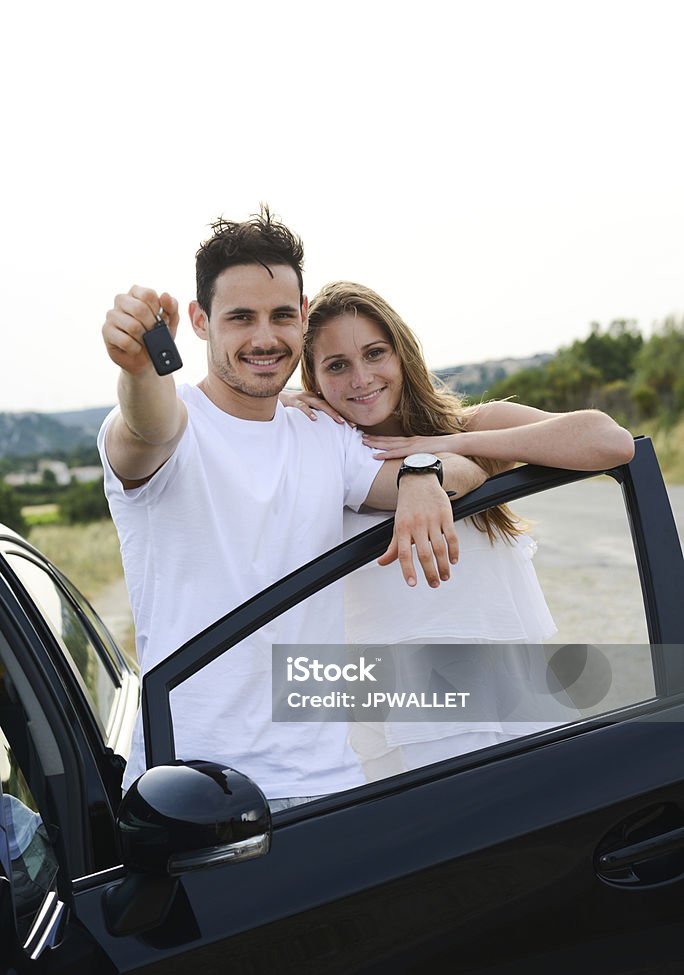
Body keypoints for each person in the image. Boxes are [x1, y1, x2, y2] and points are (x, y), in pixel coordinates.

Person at [98, 209, 490, 807]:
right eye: (240, 318)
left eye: (281, 315)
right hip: (191, 795)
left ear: (303, 317)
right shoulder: (172, 427)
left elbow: (466, 471)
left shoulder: (322, 433)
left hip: (328, 787)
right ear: (200, 323)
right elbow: (146, 426)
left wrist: (417, 474)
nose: (264, 337)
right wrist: (140, 367)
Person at [286, 280, 635, 779]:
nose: (361, 378)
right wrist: (288, 405)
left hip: (519, 709)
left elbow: (611, 442)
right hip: (407, 733)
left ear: (402, 354)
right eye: (337, 365)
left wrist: (446, 441)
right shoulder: (329, 461)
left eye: (374, 353)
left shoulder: (472, 429)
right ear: (315, 380)